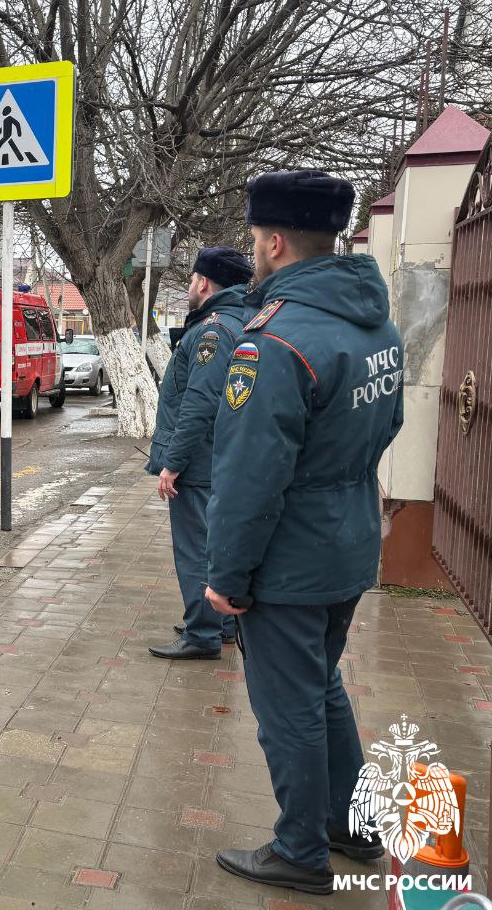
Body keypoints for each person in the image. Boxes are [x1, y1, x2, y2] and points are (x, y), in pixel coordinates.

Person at [205, 171, 404, 894]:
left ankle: (299, 850)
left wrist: (226, 579)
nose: (254, 252)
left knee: (289, 707)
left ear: (275, 242)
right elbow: (390, 426)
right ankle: (353, 825)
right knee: (322, 689)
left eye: (256, 240)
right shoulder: (374, 322)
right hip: (350, 537)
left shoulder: (275, 341)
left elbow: (250, 479)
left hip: (289, 559)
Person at [145, 247, 251, 660]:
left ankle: (203, 633)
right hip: (219, 458)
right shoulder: (238, 320)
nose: (190, 285)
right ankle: (219, 622)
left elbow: (200, 403)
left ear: (203, 282)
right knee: (212, 545)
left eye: (191, 279)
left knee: (195, 549)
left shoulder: (212, 330)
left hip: (201, 462)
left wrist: (173, 462)